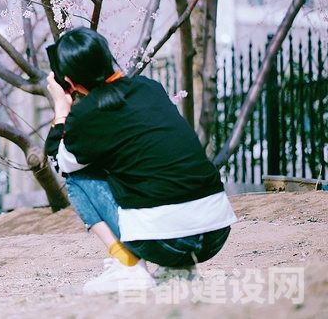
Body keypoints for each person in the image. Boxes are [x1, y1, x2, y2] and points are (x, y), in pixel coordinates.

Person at [44, 27, 237, 294]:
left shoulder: (88, 114)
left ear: (69, 80)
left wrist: (61, 109)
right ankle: (179, 270)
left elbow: (59, 161)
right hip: (215, 234)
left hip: (164, 243)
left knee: (77, 176)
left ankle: (128, 267)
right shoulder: (150, 88)